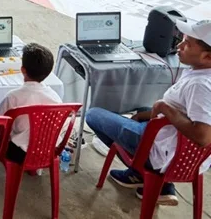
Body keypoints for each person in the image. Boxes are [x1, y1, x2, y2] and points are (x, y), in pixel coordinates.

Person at [86, 20, 211, 207]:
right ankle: (158, 183)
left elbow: (203, 135)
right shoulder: (202, 74)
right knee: (142, 110)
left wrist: (164, 107)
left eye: (188, 44)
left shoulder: (200, 85)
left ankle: (141, 171)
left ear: (207, 57)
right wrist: (151, 112)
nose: (179, 46)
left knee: (93, 115)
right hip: (186, 155)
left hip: (161, 151)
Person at [0, 43, 63, 165]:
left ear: (23, 70)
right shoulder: (55, 98)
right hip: (49, 150)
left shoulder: (13, 96)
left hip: (19, 153)